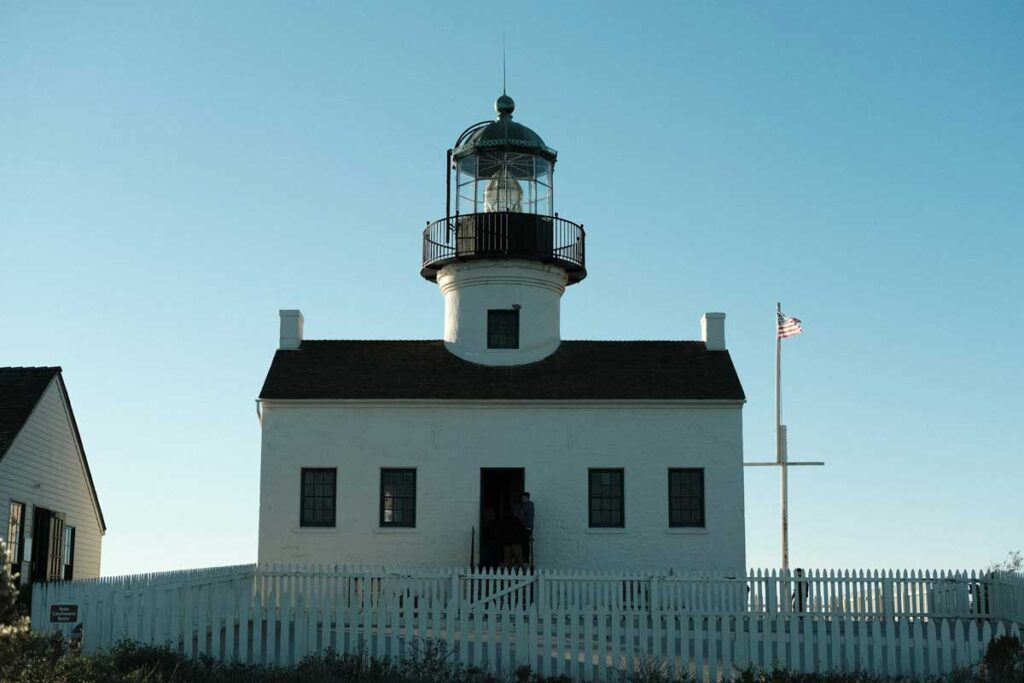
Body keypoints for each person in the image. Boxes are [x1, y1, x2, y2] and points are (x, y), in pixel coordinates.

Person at [514, 492, 535, 565]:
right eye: (522, 497)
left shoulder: (529, 506)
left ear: (528, 498)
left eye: (525, 497)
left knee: (525, 544)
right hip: (521, 527)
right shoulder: (521, 506)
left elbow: (524, 517)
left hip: (525, 528)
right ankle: (520, 558)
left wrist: (528, 527)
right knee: (520, 543)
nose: (523, 499)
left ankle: (525, 559)